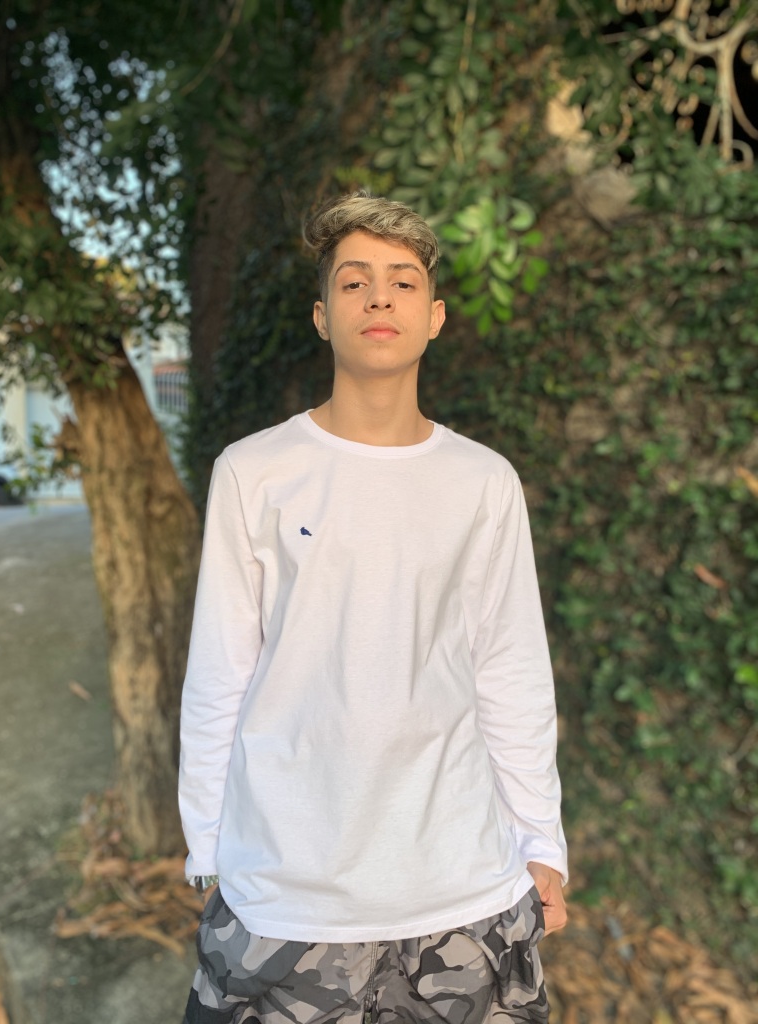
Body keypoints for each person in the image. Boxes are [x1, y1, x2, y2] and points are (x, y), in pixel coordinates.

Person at [179, 191, 568, 1024]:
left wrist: (541, 841)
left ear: (434, 317)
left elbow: (510, 668)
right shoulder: (254, 471)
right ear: (323, 316)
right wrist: (208, 847)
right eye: (354, 282)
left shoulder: (484, 481)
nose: (379, 297)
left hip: (464, 891)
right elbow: (221, 668)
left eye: (402, 282)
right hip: (286, 896)